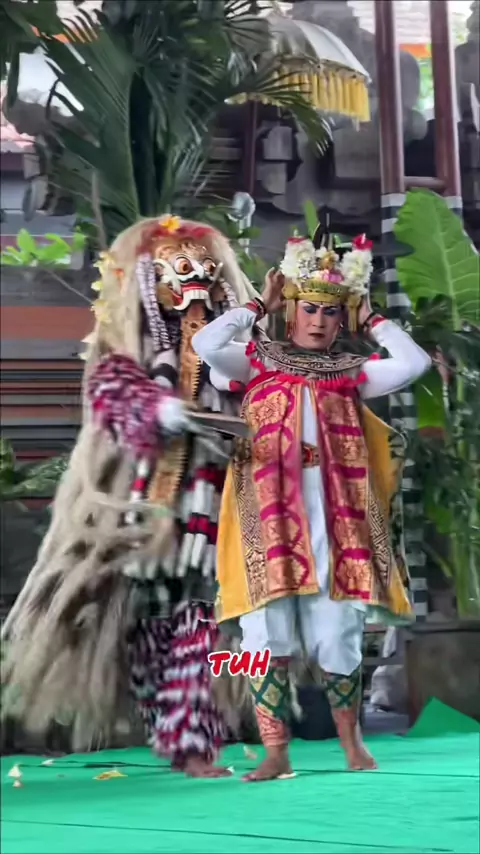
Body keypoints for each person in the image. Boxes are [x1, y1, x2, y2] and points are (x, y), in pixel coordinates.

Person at [1, 214, 261, 778]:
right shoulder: (126, 357)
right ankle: (174, 729)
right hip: (149, 510)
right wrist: (160, 410)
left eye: (205, 268)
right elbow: (112, 392)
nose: (194, 279)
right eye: (177, 268)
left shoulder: (243, 346)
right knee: (153, 618)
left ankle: (196, 737)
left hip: (224, 502)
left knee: (207, 616)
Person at [193, 229, 431, 781]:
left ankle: (352, 742)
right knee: (263, 635)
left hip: (336, 522)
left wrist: (372, 319)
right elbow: (206, 344)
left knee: (339, 633)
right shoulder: (254, 361)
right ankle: (275, 751)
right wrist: (259, 304)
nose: (319, 321)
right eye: (309, 309)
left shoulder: (351, 373)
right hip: (265, 520)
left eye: (331, 311)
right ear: (291, 309)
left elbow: (413, 363)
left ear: (341, 319)